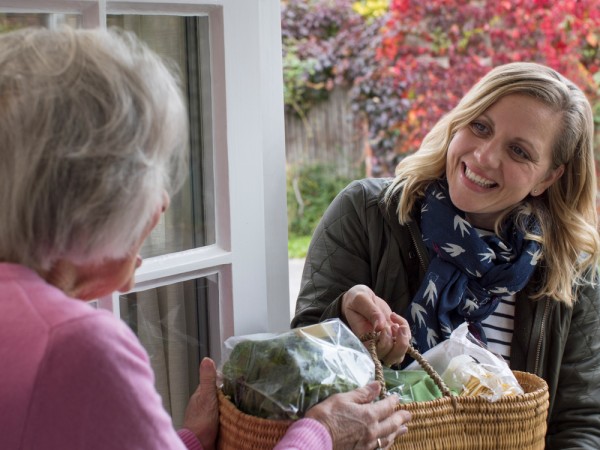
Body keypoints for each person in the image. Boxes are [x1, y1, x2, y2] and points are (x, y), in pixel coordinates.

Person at [0, 27, 411, 450]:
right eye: (151, 169)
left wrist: (188, 440)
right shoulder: (79, 348)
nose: (162, 203)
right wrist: (321, 434)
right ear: (91, 194)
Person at [292, 61, 600, 449]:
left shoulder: (571, 270)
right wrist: (343, 320)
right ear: (459, 122)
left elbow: (582, 424)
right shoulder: (367, 213)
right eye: (481, 126)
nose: (485, 156)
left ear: (548, 177)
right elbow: (298, 364)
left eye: (519, 151)